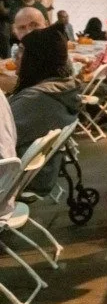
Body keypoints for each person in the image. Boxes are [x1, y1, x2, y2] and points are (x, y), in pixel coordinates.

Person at [9, 25, 79, 194]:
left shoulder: (35, 100)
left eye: (21, 51)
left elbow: (5, 136)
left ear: (36, 59)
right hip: (38, 170)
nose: (15, 57)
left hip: (17, 177)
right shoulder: (61, 89)